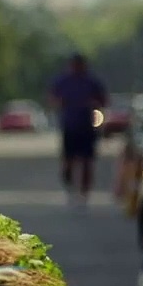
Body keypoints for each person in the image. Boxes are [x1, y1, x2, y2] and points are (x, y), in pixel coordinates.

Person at [48, 53, 108, 206]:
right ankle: (70, 185)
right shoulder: (63, 81)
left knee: (87, 161)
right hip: (70, 125)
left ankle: (84, 192)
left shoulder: (91, 82)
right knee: (69, 160)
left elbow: (103, 99)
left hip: (87, 125)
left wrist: (94, 104)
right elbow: (52, 97)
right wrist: (60, 103)